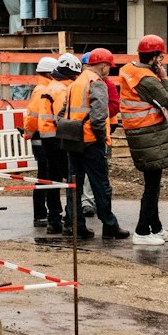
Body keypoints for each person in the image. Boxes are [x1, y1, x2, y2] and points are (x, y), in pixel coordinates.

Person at [118, 36, 168, 245]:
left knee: (152, 182)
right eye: (160, 57)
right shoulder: (147, 79)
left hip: (140, 132)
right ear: (154, 57)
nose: (162, 61)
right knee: (152, 186)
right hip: (149, 133)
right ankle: (142, 231)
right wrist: (165, 79)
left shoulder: (130, 70)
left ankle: (156, 227)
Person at [60, 49, 127, 240]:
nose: (108, 71)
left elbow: (62, 112)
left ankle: (76, 225)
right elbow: (99, 116)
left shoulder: (75, 83)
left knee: (74, 185)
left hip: (73, 139)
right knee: (101, 185)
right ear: (103, 66)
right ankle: (109, 225)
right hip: (91, 141)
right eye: (109, 67)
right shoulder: (96, 83)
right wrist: (100, 137)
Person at [22, 56, 67, 234]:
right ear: (49, 73)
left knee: (46, 176)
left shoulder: (42, 88)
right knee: (45, 176)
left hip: (41, 137)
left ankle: (43, 214)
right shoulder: (43, 90)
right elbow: (33, 117)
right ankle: (41, 214)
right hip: (43, 138)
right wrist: (29, 132)